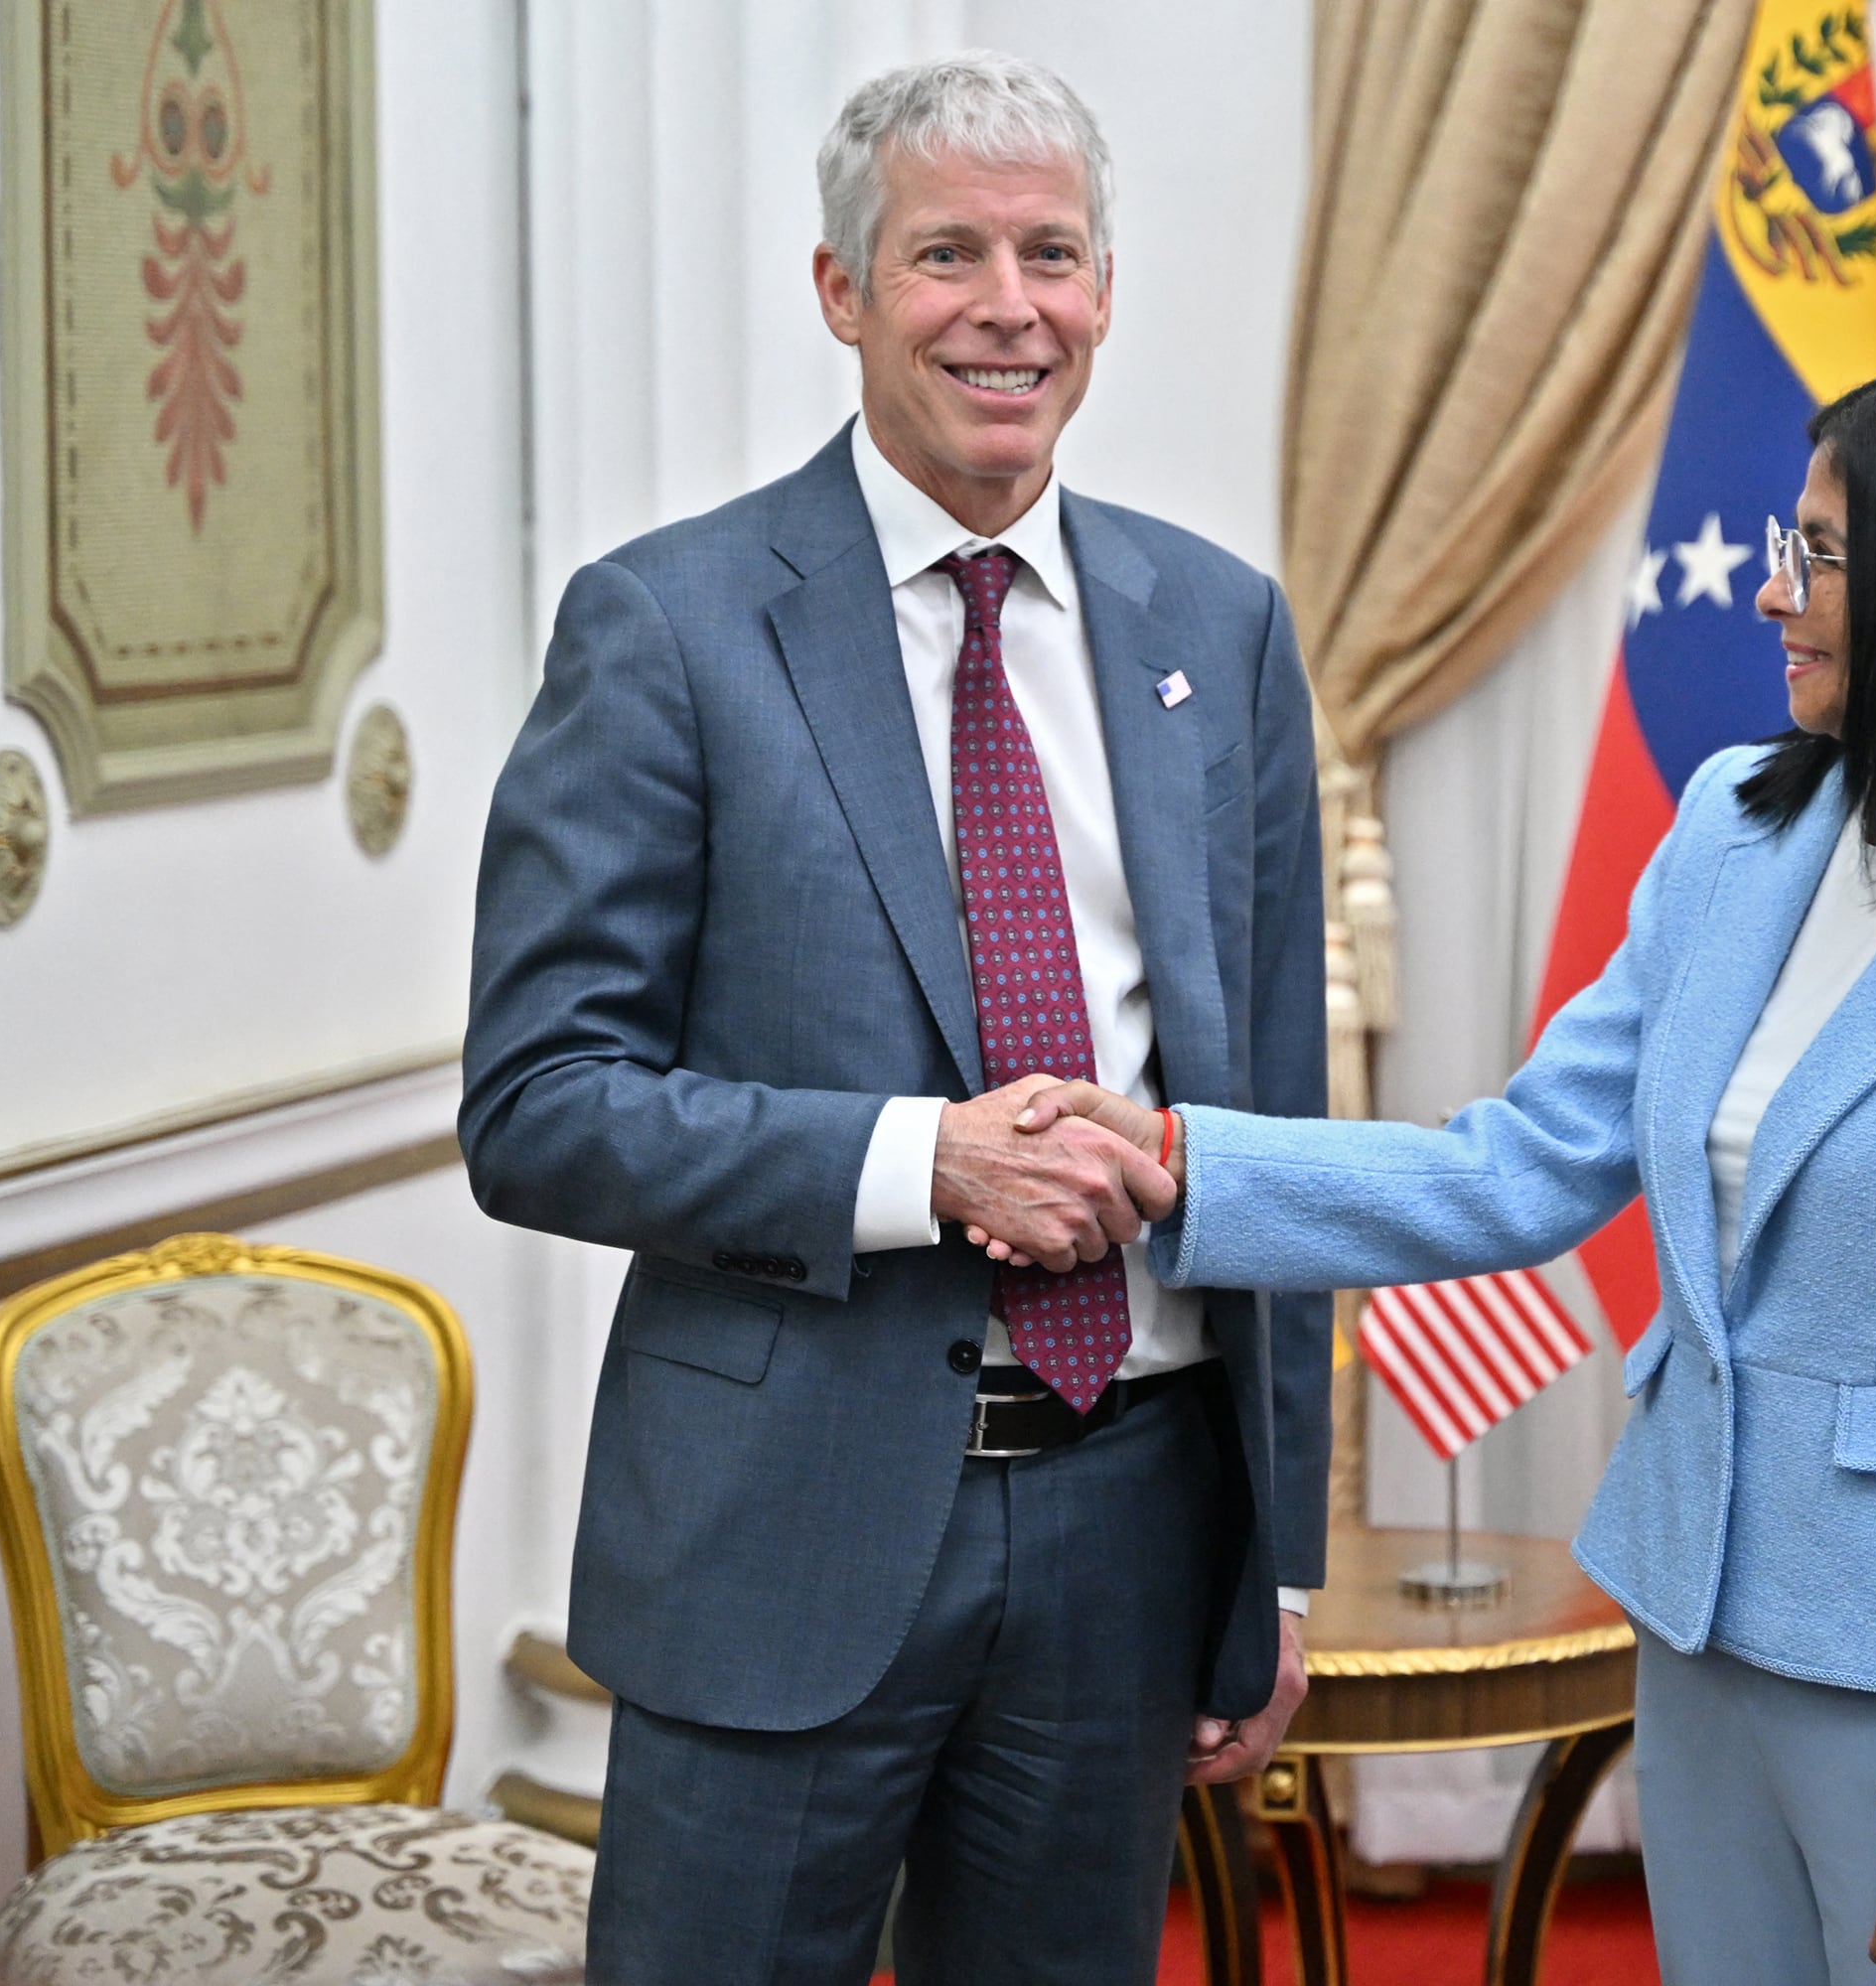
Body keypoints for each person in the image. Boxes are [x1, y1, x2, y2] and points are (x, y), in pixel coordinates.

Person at [1004, 368, 1876, 1982]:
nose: (1769, 592)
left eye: (1818, 557)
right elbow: (1523, 1165)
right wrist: (1185, 1167)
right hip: (1699, 1627)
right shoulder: (1740, 826)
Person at [458, 53, 1329, 1986]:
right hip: (786, 1532)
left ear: (1105, 287)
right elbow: (537, 1099)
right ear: (845, 290)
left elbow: (1265, 1104)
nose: (1008, 304)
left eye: (1053, 253)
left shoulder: (1220, 629)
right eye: (947, 254)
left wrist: (1268, 1557)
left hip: (1132, 1512)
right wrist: (921, 1163)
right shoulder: (669, 626)